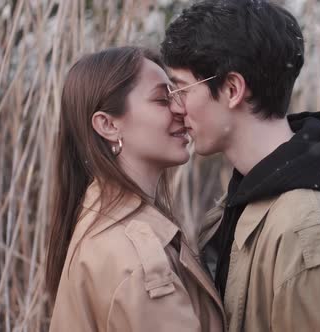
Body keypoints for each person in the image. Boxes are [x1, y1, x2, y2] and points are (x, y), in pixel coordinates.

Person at [161, 1, 320, 331]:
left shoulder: (306, 232)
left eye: (180, 89)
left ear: (232, 89)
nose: (175, 107)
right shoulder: (250, 200)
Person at [45, 46, 225, 331]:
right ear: (108, 124)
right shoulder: (138, 260)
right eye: (162, 99)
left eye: (176, 94)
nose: (180, 108)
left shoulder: (101, 219)